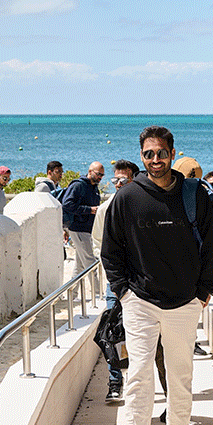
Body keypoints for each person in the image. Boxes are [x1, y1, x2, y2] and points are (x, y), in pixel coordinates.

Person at [101, 126, 213, 425]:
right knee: (138, 375)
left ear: (172, 152)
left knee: (180, 374)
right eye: (149, 154)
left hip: (185, 301)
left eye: (161, 153)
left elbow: (211, 247)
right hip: (140, 301)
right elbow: (111, 251)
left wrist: (203, 291)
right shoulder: (127, 197)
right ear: (142, 156)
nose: (155, 160)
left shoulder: (194, 194)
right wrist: (123, 291)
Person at [92, 159, 140, 403]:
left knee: (141, 334)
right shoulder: (105, 209)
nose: (119, 184)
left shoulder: (143, 206)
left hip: (142, 283)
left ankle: (138, 383)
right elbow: (97, 244)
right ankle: (114, 382)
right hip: (115, 283)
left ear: (134, 179)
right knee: (112, 332)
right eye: (115, 180)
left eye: (124, 179)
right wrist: (112, 276)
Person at [63, 161, 104, 274]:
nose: (100, 177)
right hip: (78, 228)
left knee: (80, 266)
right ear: (90, 172)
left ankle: (73, 292)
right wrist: (89, 210)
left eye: (102, 175)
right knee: (91, 265)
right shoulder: (78, 185)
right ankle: (97, 292)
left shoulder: (94, 188)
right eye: (98, 174)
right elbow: (67, 204)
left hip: (87, 229)